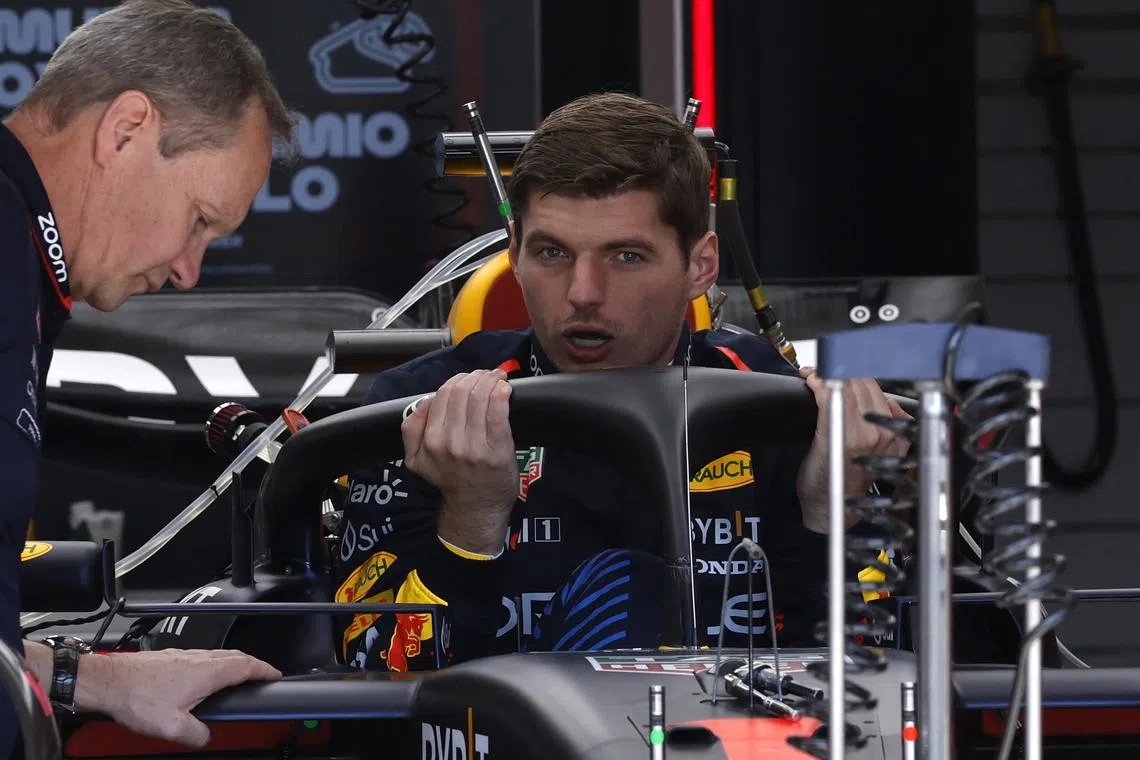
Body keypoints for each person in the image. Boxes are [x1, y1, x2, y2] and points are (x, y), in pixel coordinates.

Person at [334, 92, 910, 672]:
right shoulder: (420, 410)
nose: (583, 292)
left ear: (700, 266)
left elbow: (882, 680)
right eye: (552, 252)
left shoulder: (788, 413)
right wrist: (470, 523)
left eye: (626, 256)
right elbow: (371, 670)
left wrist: (832, 517)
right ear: (515, 255)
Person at [0, 0, 296, 753]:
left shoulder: (23, 263)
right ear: (125, 130)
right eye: (199, 220)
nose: (190, 271)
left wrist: (92, 678)